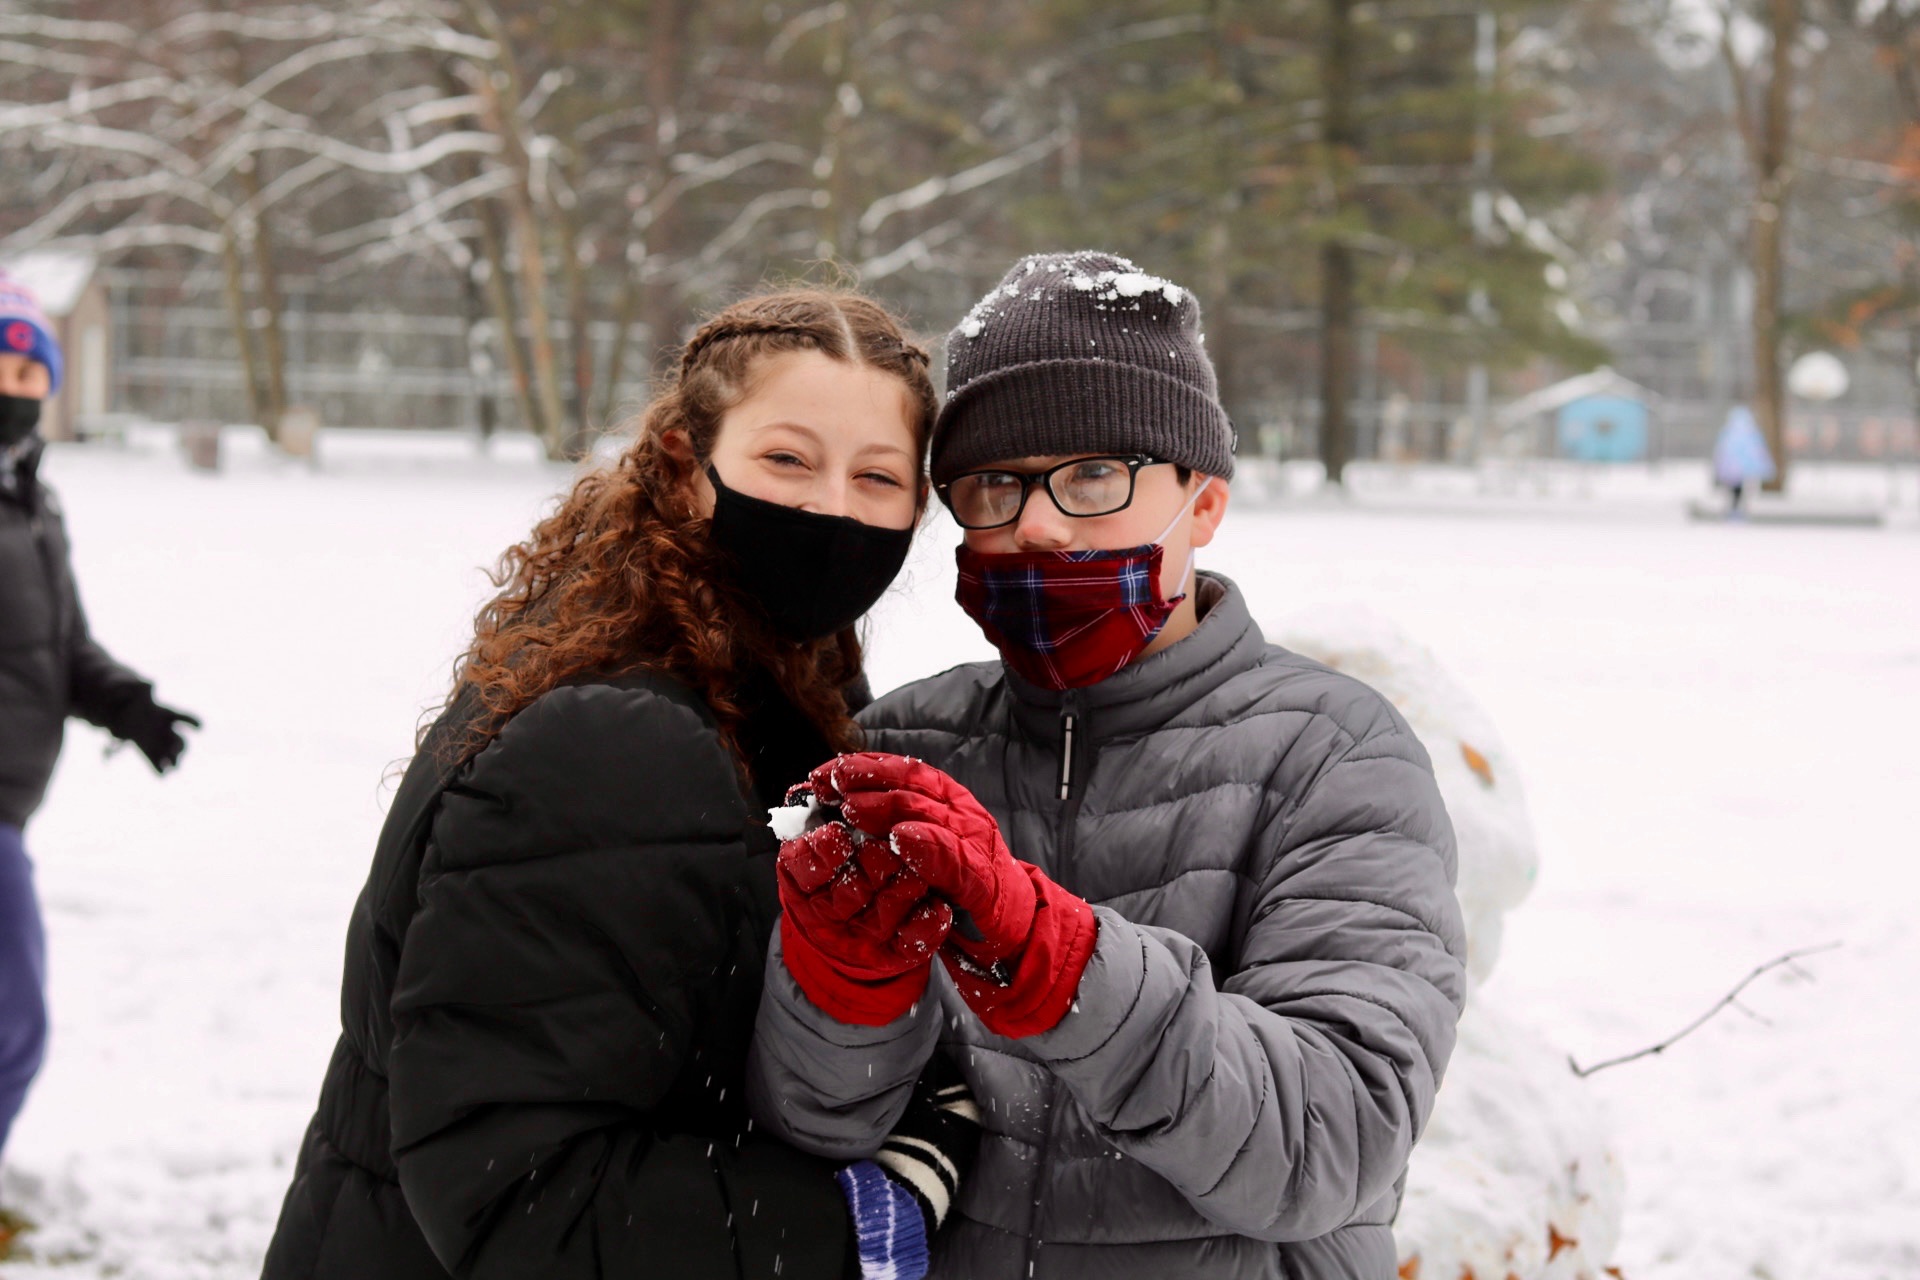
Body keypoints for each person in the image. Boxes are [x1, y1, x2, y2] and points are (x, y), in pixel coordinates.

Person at [749, 252, 1470, 1280]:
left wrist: (1064, 963)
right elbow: (819, 1128)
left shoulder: (1335, 754)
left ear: (1205, 503)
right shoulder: (902, 751)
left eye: (1094, 475)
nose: (1035, 520)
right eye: (994, 485)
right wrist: (843, 989)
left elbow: (1329, 1138)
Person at [262, 289, 979, 1280]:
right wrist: (851, 1220)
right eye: (787, 459)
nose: (832, 509)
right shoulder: (617, 738)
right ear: (687, 469)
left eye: (877, 476)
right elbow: (520, 1188)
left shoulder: (757, 679)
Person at [0, 270, 198, 1182]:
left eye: (27, 373)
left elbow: (63, 645)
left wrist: (128, 704)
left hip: (13, 807)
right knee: (16, 1024)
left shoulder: (36, 504)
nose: (11, 388)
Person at [1712, 403, 1775, 516]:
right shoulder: (1751, 433)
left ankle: (1735, 507)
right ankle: (1740, 507)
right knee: (1743, 489)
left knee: (1733, 489)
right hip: (1744, 469)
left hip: (1732, 469)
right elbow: (1758, 450)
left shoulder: (1729, 433)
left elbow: (1721, 451)